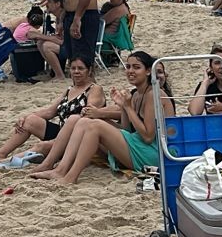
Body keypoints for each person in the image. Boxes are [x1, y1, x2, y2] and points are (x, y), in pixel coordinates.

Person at [29, 51, 173, 185]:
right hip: (139, 145)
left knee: (95, 126)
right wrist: (124, 107)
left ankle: (70, 177)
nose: (130, 71)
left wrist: (128, 108)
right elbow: (126, 129)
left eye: (136, 67)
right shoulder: (137, 94)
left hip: (154, 153)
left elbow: (148, 136)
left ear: (148, 71)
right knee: (83, 120)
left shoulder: (153, 94)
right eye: (128, 67)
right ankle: (59, 169)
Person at [0, 56, 105, 167]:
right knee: (29, 121)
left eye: (81, 68)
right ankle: (1, 153)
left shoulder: (94, 89)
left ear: (89, 70)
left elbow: (89, 113)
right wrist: (25, 117)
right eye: (73, 68)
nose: (76, 72)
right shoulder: (70, 90)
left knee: (42, 146)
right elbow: (49, 112)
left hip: (79, 137)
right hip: (62, 132)